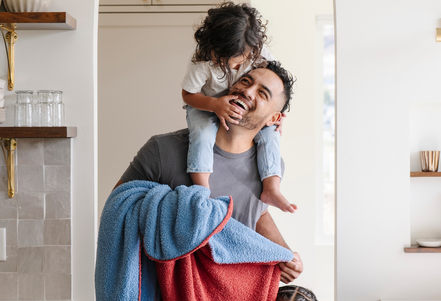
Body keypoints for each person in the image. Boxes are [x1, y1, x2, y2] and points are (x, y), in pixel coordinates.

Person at [119, 62, 303, 283]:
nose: (247, 91)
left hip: (231, 295)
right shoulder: (162, 150)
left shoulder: (270, 170)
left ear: (274, 119)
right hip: (165, 296)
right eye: (245, 81)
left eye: (262, 93)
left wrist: (283, 254)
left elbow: (257, 212)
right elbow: (118, 208)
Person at [181, 2, 296, 214]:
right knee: (203, 133)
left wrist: (276, 115)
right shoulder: (202, 62)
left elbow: (276, 88)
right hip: (205, 103)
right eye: (222, 60)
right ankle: (201, 188)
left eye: (237, 61)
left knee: (271, 133)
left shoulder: (261, 55)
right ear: (210, 48)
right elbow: (188, 94)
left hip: (241, 106)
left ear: (253, 49)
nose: (231, 67)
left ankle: (271, 187)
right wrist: (215, 104)